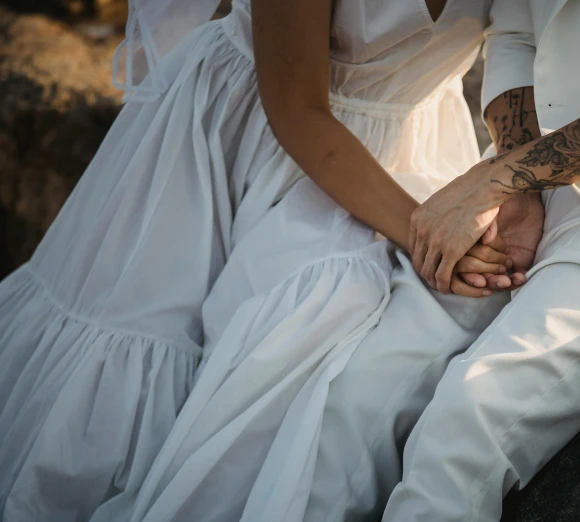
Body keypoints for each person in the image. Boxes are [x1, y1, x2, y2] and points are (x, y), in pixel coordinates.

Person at [247, 0, 580, 521]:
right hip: (531, 173)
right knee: (353, 399)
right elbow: (516, 32)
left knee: (461, 432)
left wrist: (494, 182)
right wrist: (516, 182)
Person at [0, 1, 519, 520]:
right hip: (246, 140)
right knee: (128, 405)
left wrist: (514, 180)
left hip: (412, 151)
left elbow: (522, 44)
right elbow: (296, 110)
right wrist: (429, 232)